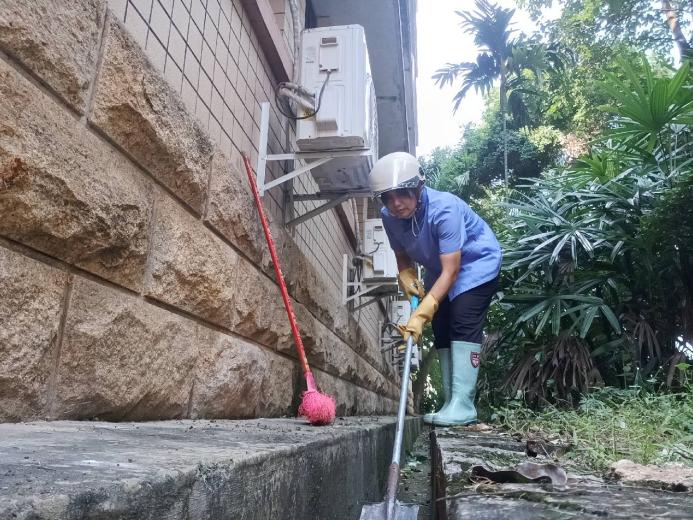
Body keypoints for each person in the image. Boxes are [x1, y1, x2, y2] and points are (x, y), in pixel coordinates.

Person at [369, 152, 502, 426]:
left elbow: (453, 271)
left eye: (402, 193)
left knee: (462, 320)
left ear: (418, 186)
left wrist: (420, 314)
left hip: (476, 264)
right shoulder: (389, 216)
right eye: (387, 197)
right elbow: (402, 255)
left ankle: (463, 404)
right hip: (440, 270)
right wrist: (406, 276)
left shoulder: (444, 210)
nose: (396, 203)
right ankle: (451, 402)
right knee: (441, 325)